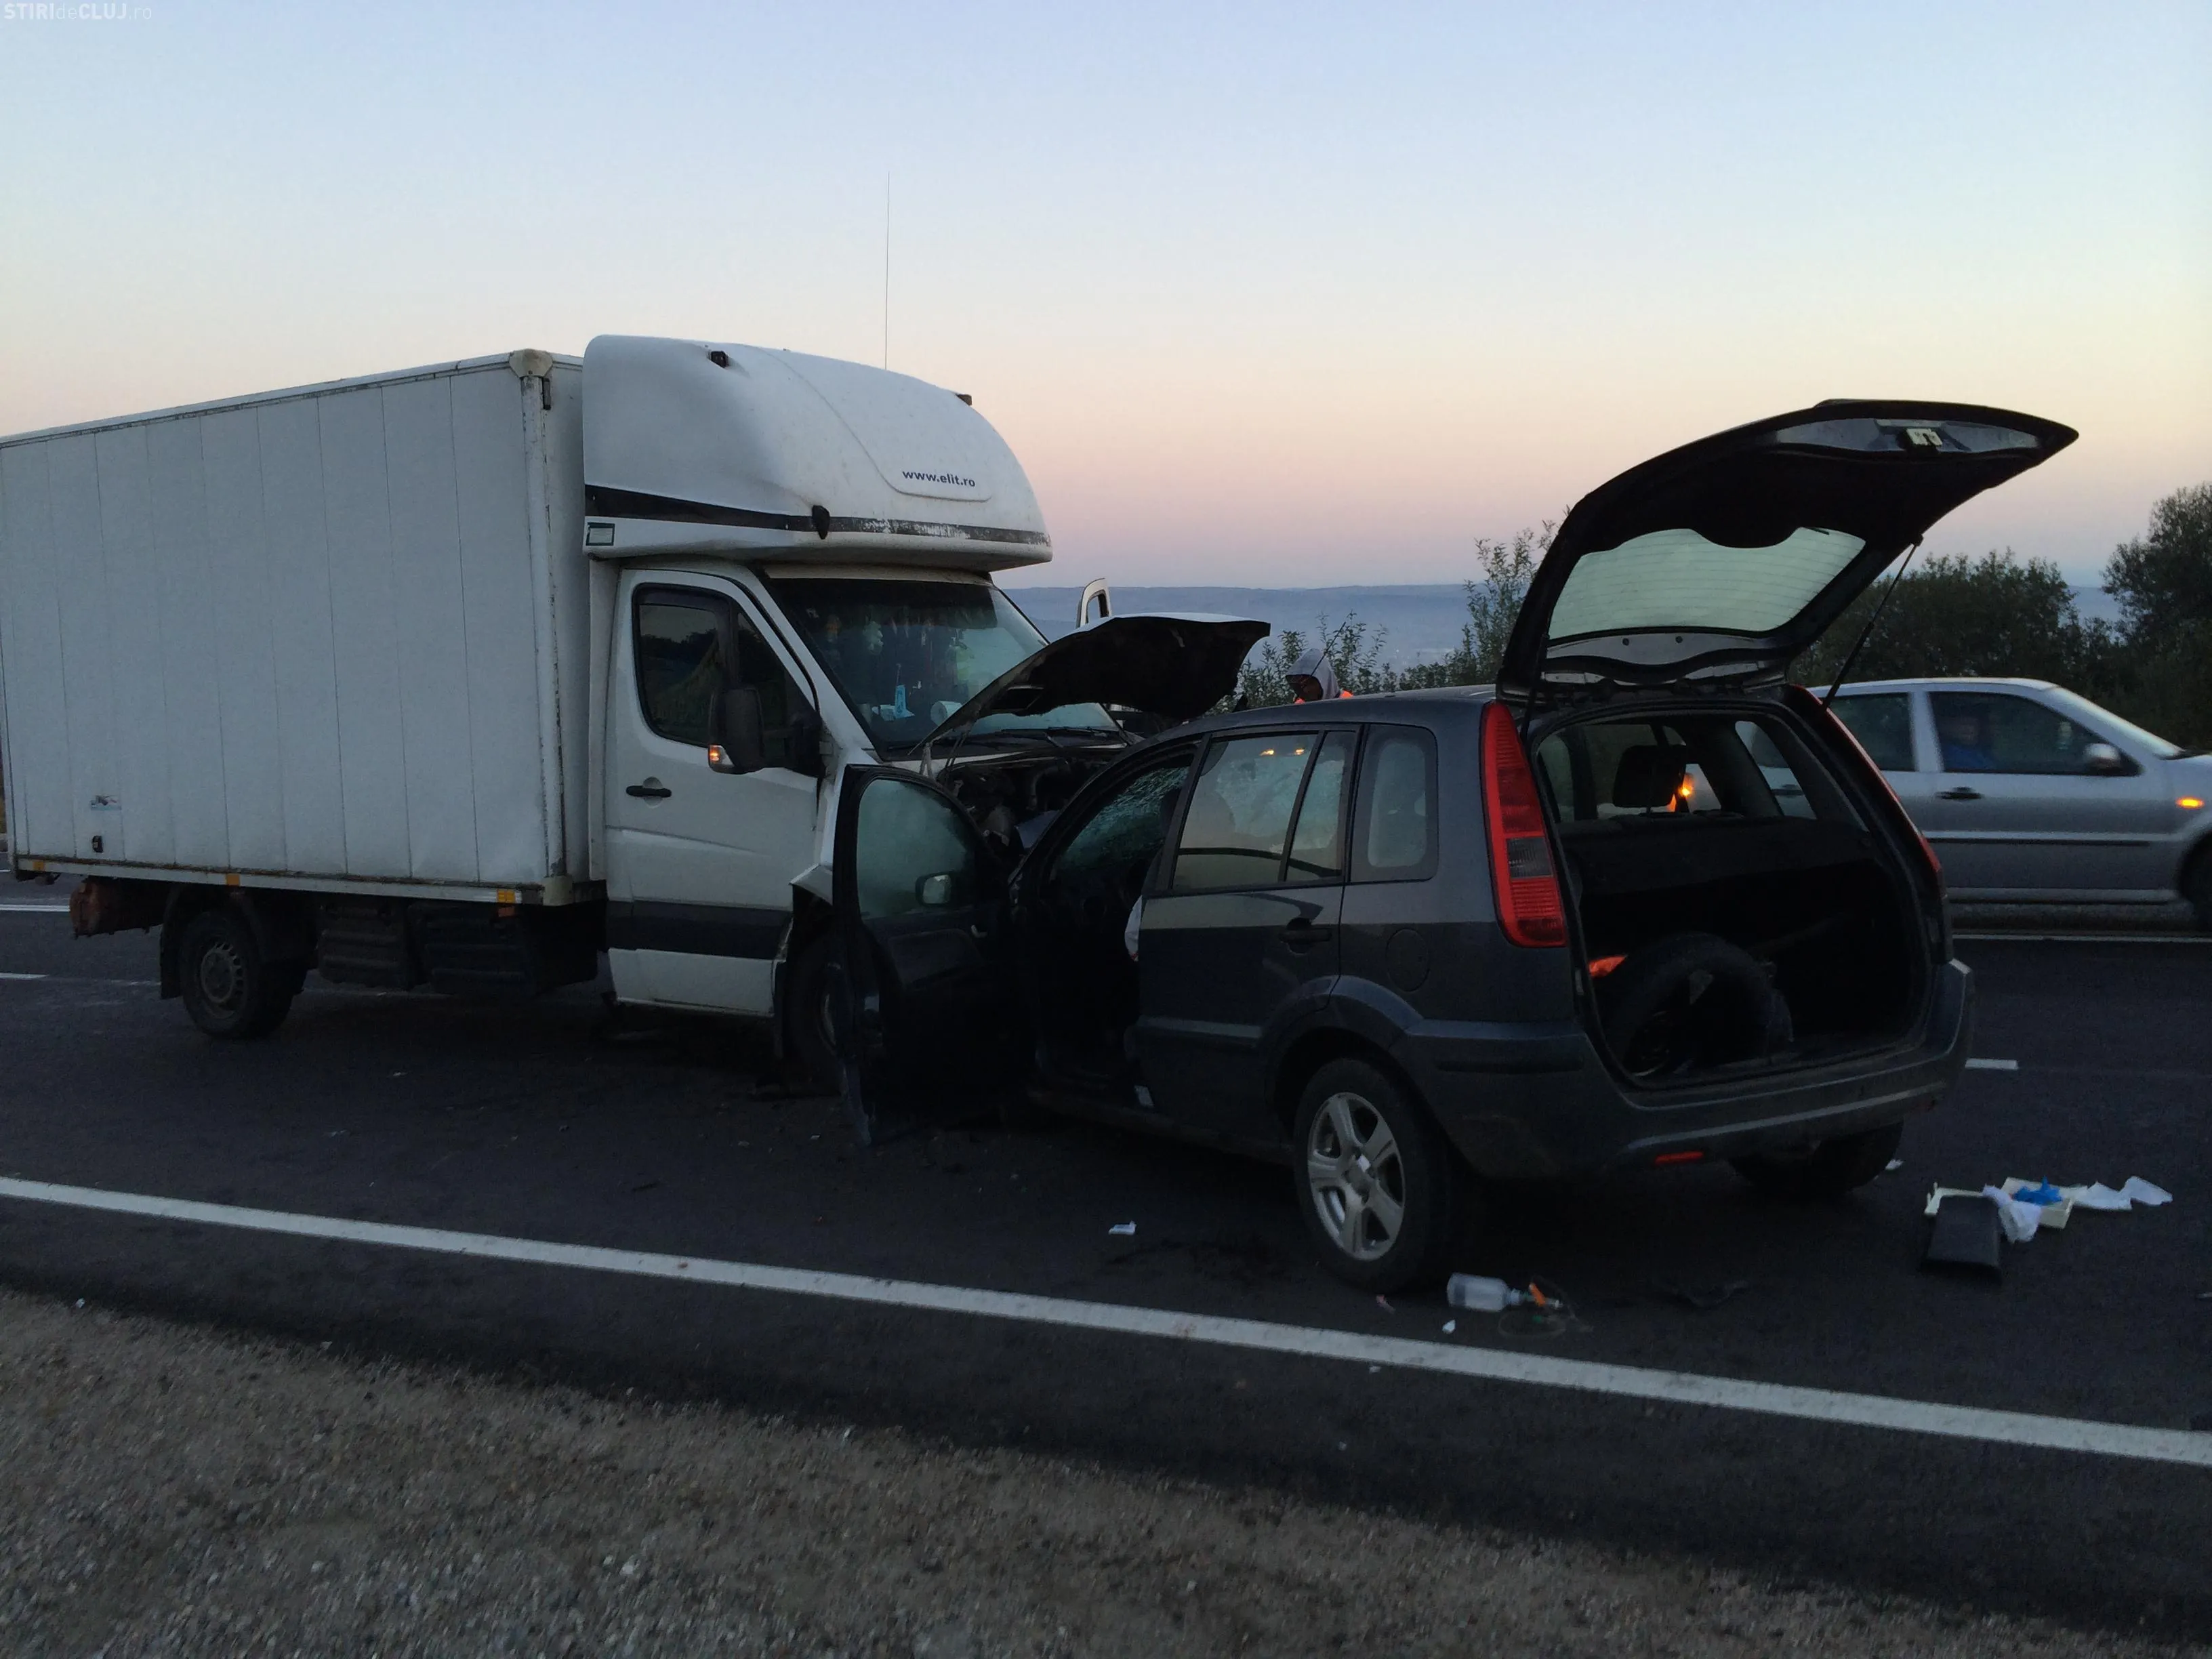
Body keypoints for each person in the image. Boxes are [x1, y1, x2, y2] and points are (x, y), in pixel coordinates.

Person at [1938, 708, 1996, 772]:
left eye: (1973, 724)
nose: (1969, 728)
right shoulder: (1944, 752)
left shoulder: (1983, 752)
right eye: (1963, 724)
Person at [1287, 645, 1353, 703]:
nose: (1306, 690)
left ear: (1325, 680)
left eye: (1311, 683)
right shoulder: (1299, 707)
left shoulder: (1348, 702)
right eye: (1301, 685)